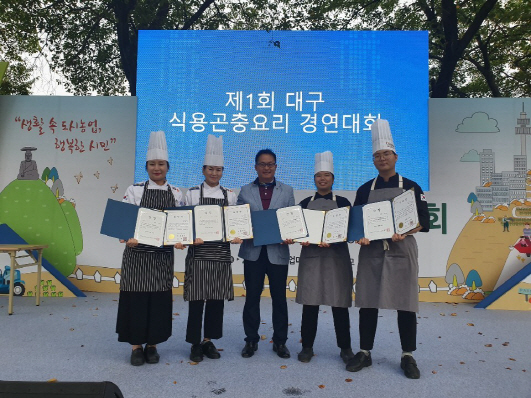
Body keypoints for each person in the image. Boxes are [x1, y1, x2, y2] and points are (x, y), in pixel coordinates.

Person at [347, 119, 429, 379]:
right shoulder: (363, 189)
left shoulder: (412, 187)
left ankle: (408, 355)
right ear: (373, 160)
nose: (382, 158)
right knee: (367, 302)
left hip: (402, 251)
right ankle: (365, 352)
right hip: (371, 252)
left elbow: (424, 221)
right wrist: (359, 236)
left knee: (405, 304)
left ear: (395, 156)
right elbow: (356, 223)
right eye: (377, 155)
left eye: (386, 154)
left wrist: (406, 230)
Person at [116, 130, 183, 366]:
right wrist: (128, 236)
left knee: (158, 300)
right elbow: (124, 222)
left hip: (162, 257)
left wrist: (180, 238)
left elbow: (180, 224)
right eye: (153, 164)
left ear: (168, 166)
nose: (157, 168)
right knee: (135, 299)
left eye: (161, 164)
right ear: (146, 166)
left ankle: (152, 345)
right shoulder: (134, 190)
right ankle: (135, 346)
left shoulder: (176, 193)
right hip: (137, 255)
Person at [180, 135, 237, 363]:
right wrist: (189, 237)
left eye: (218, 170)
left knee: (216, 301)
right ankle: (195, 343)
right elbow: (183, 222)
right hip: (198, 255)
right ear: (203, 169)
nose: (214, 173)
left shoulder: (229, 195)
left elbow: (234, 224)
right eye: (210, 169)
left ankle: (208, 340)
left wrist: (237, 235)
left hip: (221, 255)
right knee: (196, 300)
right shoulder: (192, 194)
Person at [296, 151, 355, 365]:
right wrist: (300, 238)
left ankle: (345, 348)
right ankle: (307, 347)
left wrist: (336, 239)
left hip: (336, 258)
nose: (322, 179)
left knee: (339, 305)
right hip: (311, 257)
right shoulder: (304, 203)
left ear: (333, 178)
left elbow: (350, 230)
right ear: (314, 179)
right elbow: (298, 230)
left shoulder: (343, 202)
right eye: (319, 175)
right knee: (310, 305)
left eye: (327, 175)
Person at [237, 149, 295, 359]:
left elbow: (291, 220)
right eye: (262, 164)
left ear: (276, 166)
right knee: (252, 297)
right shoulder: (245, 191)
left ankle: (280, 342)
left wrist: (291, 233)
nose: (266, 167)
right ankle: (251, 340)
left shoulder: (286, 191)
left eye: (270, 164)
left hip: (277, 252)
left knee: (279, 298)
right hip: (253, 252)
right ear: (255, 167)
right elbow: (239, 221)